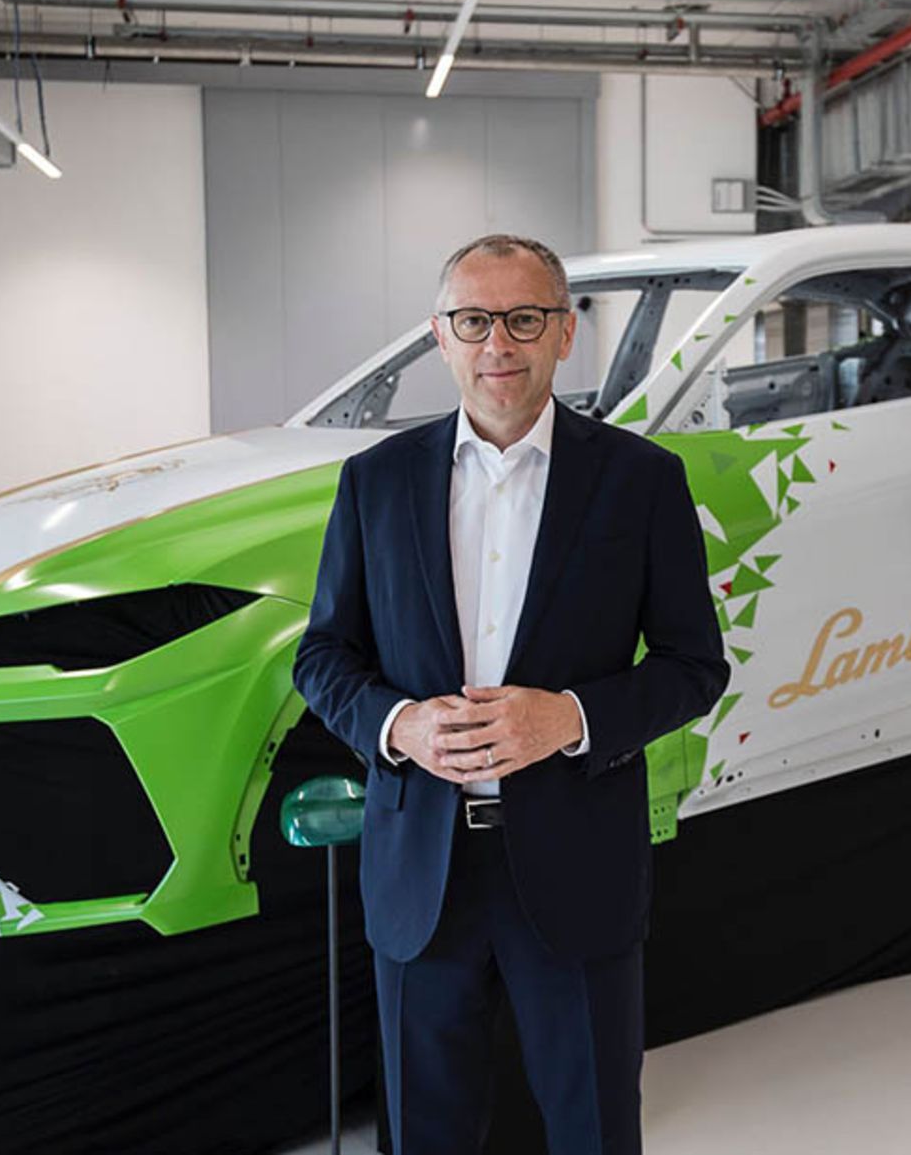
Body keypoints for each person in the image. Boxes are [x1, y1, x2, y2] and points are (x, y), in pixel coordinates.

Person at [291, 233, 730, 1154]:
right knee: (424, 1136)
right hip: (422, 873)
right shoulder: (375, 482)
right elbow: (323, 655)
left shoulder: (641, 480)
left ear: (565, 333)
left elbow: (694, 664)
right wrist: (400, 725)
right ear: (440, 336)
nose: (499, 343)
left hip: (578, 867)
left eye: (525, 318)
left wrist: (569, 718)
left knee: (593, 1129)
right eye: (473, 320)